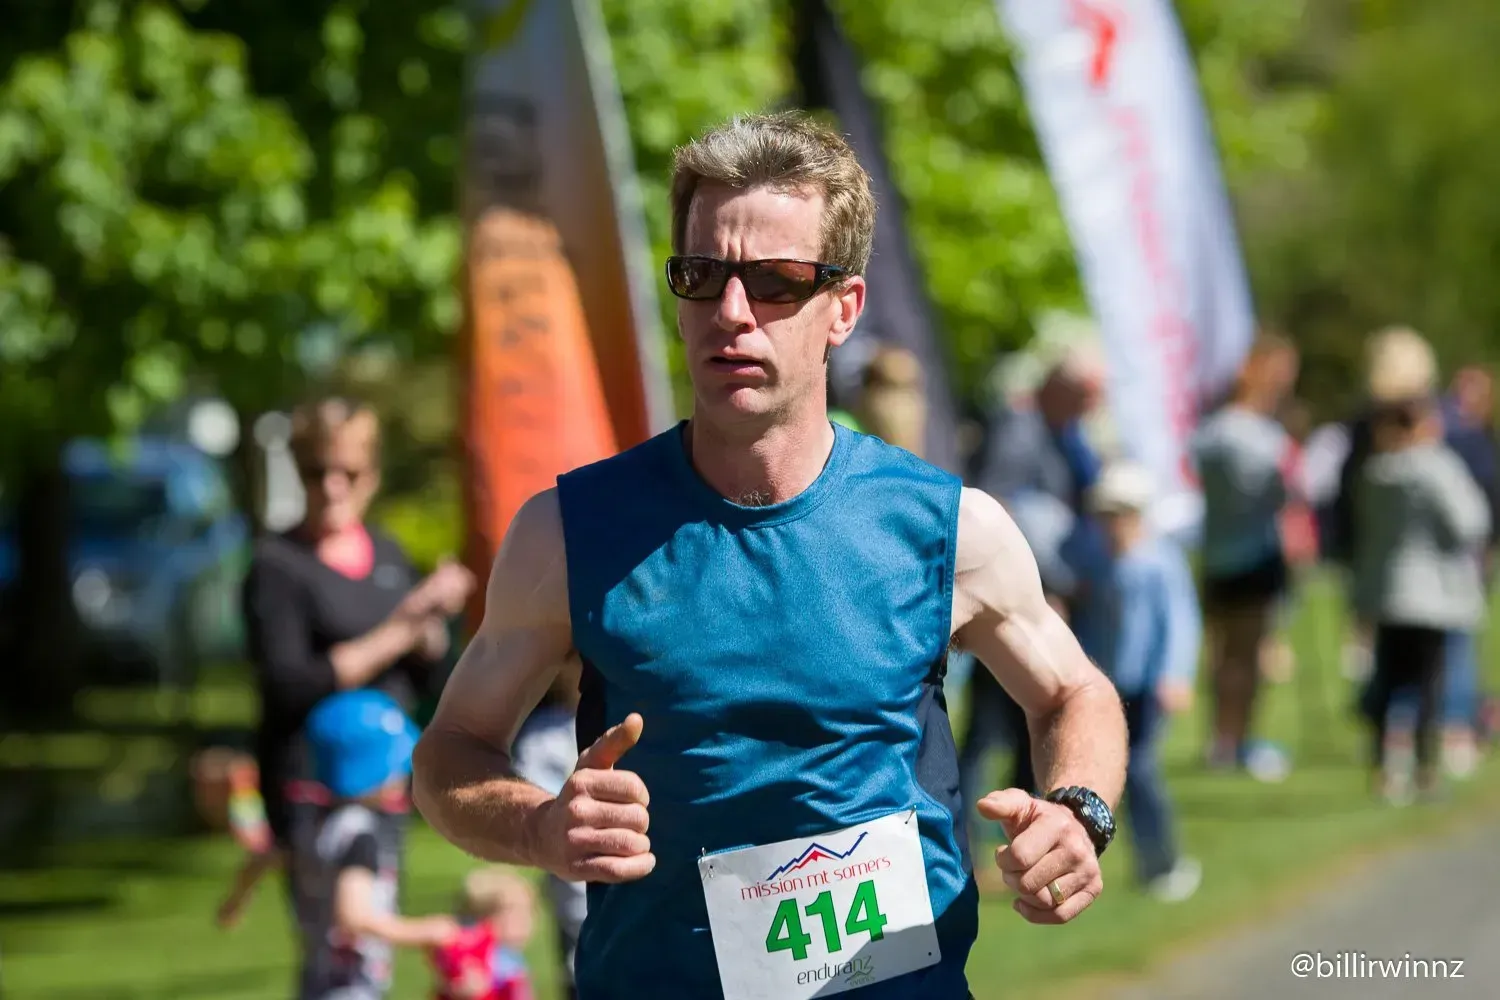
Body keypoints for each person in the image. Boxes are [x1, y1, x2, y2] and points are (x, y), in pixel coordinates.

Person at [412, 112, 1129, 1000]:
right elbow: (451, 752)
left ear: (844, 309)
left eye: (778, 282)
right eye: (702, 276)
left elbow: (1073, 692)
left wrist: (1077, 811)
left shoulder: (949, 527)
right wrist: (538, 829)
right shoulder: (569, 530)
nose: (732, 313)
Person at [242, 399, 475, 965]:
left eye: (348, 472)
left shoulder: (388, 553)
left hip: (386, 785)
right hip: (315, 791)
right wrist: (400, 627)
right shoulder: (276, 565)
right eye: (316, 471)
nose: (332, 486)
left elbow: (423, 677)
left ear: (370, 476)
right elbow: (289, 683)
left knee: (370, 955)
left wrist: (431, 628)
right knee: (343, 953)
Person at [1352, 393, 1490, 803]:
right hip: (1433, 590)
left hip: (1386, 589)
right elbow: (1470, 522)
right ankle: (1425, 769)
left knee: (1389, 676)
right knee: (1430, 682)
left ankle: (1382, 770)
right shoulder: (1437, 468)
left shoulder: (1375, 471)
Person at [1083, 463, 1203, 902]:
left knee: (1144, 771)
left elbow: (1181, 623)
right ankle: (1143, 862)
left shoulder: (1160, 562)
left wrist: (1176, 675)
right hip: (1113, 686)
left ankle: (1167, 860)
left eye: (1121, 514)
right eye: (1106, 515)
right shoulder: (1100, 563)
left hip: (1150, 685)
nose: (1113, 525)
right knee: (1121, 776)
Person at [296, 689, 462, 999]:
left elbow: (271, 854)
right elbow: (353, 915)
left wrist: (236, 899)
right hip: (350, 986)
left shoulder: (319, 822)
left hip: (316, 978)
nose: (402, 776)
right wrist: (424, 931)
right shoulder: (360, 836)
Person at [1190, 332, 1300, 781]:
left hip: (1218, 554)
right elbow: (1279, 490)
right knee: (1245, 655)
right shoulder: (1255, 435)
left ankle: (1223, 740)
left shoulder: (1211, 431)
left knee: (1225, 655)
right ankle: (1236, 741)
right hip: (1251, 554)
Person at [430, 867, 537, 1000]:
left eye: (528, 911)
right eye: (514, 913)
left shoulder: (512, 958)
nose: (525, 922)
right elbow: (462, 984)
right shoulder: (482, 957)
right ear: (482, 916)